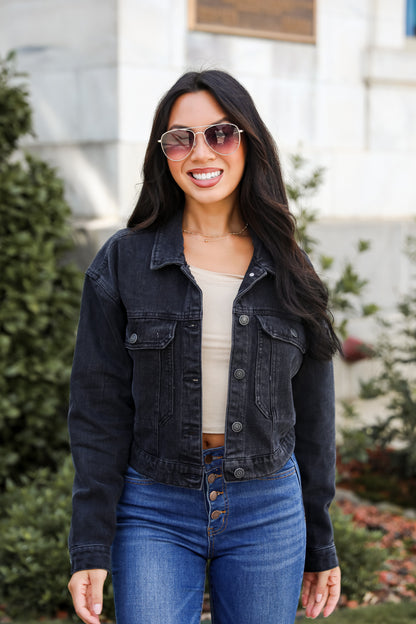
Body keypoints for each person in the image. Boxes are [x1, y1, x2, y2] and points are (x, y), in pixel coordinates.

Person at [67, 69, 341, 624]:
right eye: (180, 138)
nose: (200, 152)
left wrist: (321, 541)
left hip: (268, 510)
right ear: (163, 154)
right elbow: (97, 411)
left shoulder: (289, 266)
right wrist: (90, 544)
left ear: (248, 141)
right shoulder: (124, 261)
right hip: (153, 507)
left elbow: (314, 418)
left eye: (220, 133)